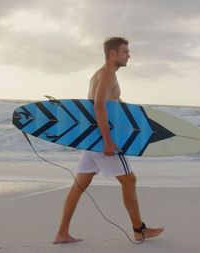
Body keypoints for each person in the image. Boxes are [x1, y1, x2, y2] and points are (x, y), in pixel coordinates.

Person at [53, 37, 165, 244]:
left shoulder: (101, 75)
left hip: (91, 141)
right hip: (101, 140)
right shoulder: (107, 75)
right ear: (113, 53)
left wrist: (135, 116)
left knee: (79, 184)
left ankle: (62, 232)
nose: (129, 55)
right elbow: (98, 107)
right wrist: (108, 141)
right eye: (125, 51)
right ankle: (139, 229)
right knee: (129, 180)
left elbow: (112, 104)